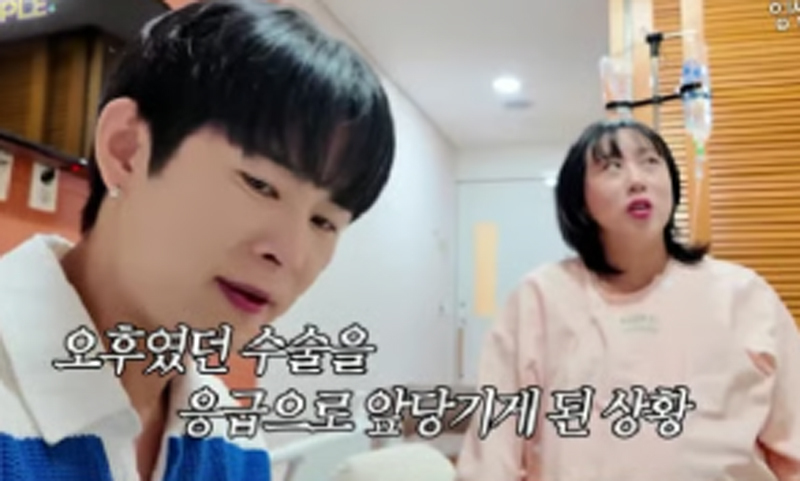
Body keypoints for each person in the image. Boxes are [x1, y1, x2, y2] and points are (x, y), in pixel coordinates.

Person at [0, 0, 395, 479]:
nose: (290, 255)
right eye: (259, 185)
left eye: (324, 222)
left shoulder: (232, 441)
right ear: (127, 151)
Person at [455, 118, 800, 481]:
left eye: (650, 162)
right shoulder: (539, 298)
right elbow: (491, 459)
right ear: (579, 198)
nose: (637, 180)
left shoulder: (744, 295)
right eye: (612, 167)